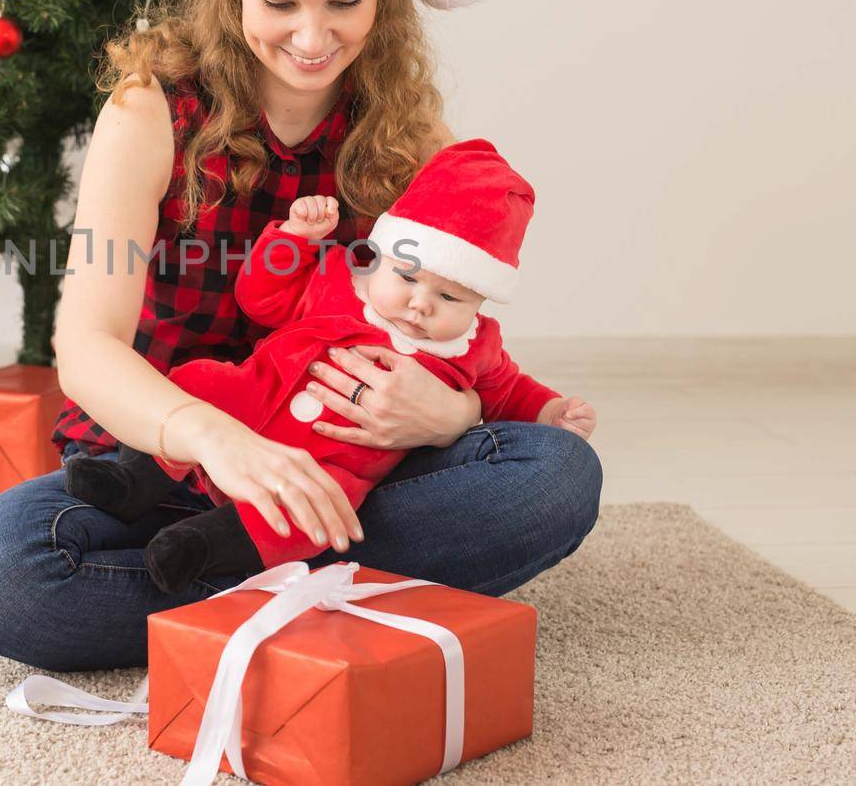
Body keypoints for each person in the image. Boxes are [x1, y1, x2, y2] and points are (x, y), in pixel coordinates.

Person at [0, 0, 603, 671]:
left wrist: (453, 412)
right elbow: (87, 347)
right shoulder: (148, 113)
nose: (313, 35)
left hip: (343, 464)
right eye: (280, 1)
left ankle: (235, 585)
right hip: (170, 458)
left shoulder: (407, 134)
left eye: (345, 3)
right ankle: (310, 587)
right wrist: (219, 439)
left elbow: (456, 331)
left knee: (555, 474)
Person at [63, 139, 599, 593]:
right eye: (408, 279)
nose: (420, 305)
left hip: (334, 465)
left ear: (481, 302)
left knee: (321, 511)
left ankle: (207, 549)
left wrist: (549, 411)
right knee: (200, 381)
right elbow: (261, 299)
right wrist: (293, 242)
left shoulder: (474, 346)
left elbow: (511, 392)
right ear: (383, 252)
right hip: (253, 401)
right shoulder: (338, 278)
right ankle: (134, 482)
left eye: (450, 298)